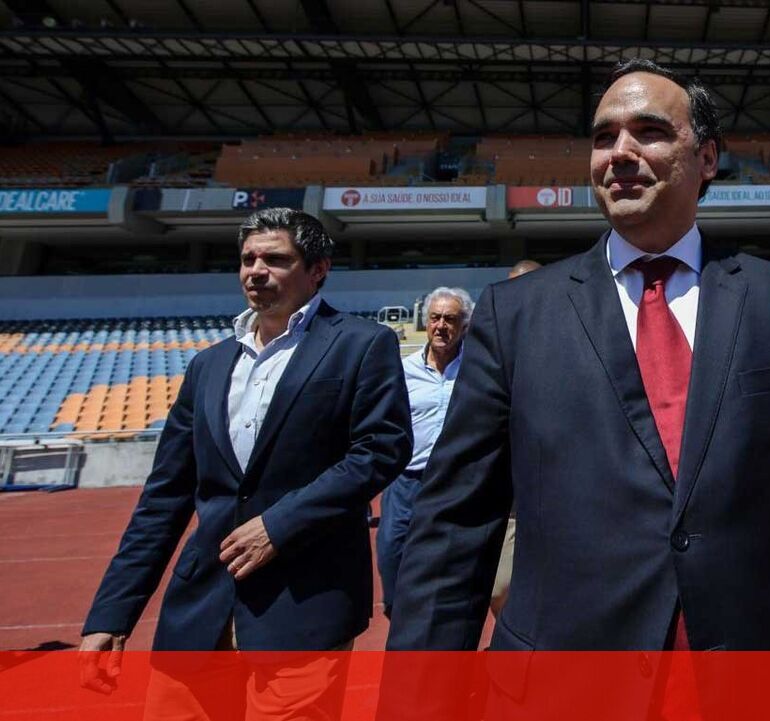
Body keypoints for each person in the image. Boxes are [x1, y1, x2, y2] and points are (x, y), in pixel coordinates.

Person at [384, 59, 770, 714]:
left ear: (707, 157)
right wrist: (415, 702)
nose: (620, 152)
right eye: (604, 137)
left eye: (650, 131)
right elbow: (455, 526)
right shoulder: (513, 315)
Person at [78, 208, 412, 716]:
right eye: (248, 258)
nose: (256, 270)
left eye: (275, 259)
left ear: (318, 269)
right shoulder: (207, 365)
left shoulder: (362, 344)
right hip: (200, 611)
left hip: (305, 603)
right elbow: (164, 497)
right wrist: (112, 612)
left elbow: (380, 451)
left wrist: (277, 525)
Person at [377, 287, 472, 618]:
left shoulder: (476, 372)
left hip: (454, 481)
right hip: (406, 480)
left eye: (450, 319)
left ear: (464, 325)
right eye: (435, 318)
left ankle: (442, 623)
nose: (441, 326)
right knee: (391, 550)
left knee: (451, 557)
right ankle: (397, 613)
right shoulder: (402, 371)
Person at [487, 260, 542, 616]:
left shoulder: (573, 340)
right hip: (509, 497)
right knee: (500, 587)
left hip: (563, 492)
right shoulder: (493, 346)